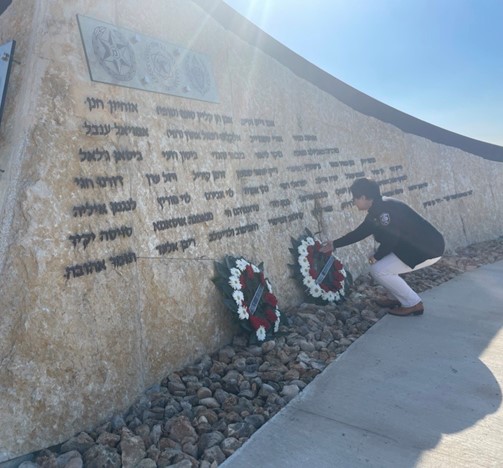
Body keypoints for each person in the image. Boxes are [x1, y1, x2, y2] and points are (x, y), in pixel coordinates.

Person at [320, 178, 445, 316]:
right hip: (420, 247)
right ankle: (396, 298)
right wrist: (334, 244)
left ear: (363, 197)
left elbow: (392, 238)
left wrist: (376, 257)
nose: (354, 202)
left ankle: (414, 303)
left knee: (379, 270)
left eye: (354, 198)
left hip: (427, 249)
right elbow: (360, 232)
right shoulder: (379, 207)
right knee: (379, 265)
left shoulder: (383, 210)